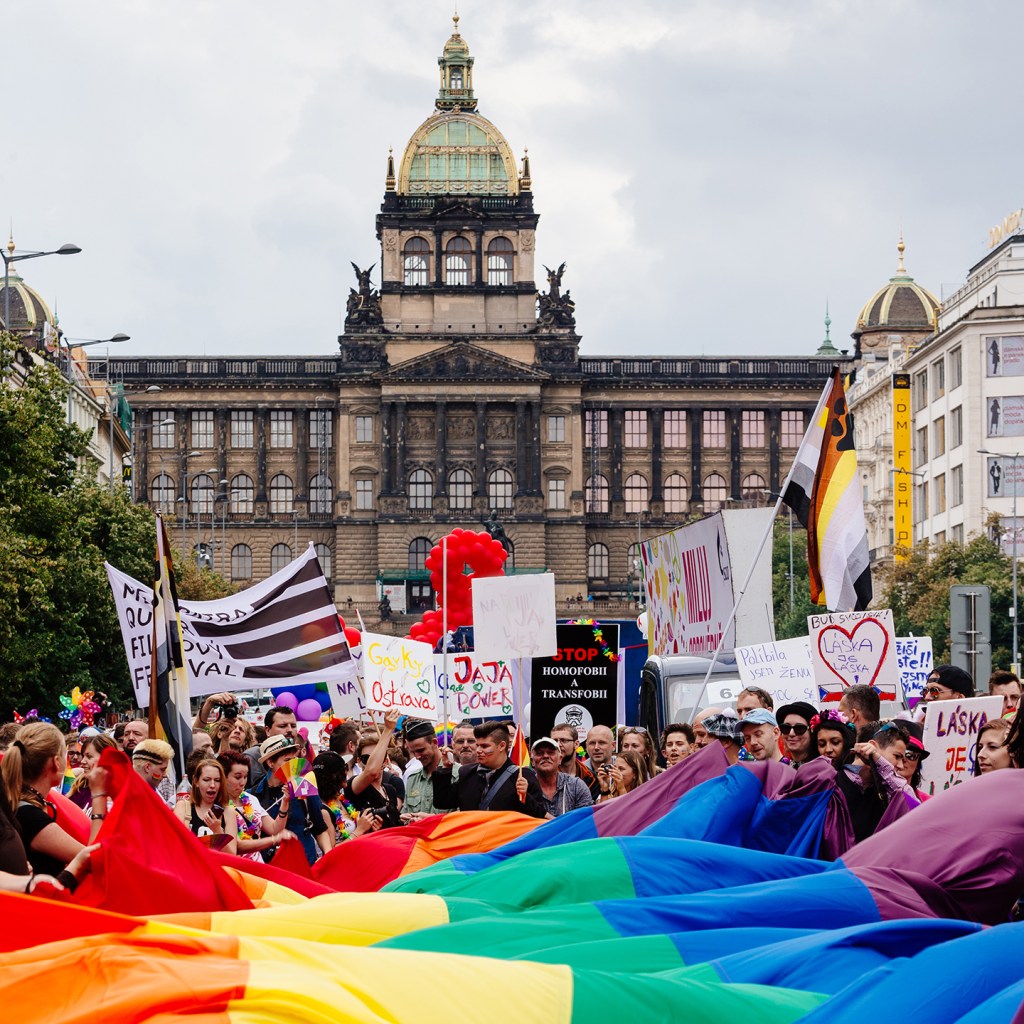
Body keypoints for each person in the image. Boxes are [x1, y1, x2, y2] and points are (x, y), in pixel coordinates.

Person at [1, 723, 107, 881]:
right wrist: (99, 795)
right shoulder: (30, 815)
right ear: (56, 762)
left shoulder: (19, 802)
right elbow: (95, 860)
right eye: (65, 754)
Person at [434, 721, 546, 817]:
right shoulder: (466, 773)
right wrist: (446, 769)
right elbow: (442, 802)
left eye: (484, 746)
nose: (478, 750)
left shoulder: (523, 776)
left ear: (502, 746)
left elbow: (539, 817)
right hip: (474, 835)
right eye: (477, 745)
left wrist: (525, 797)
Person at [251, 734, 331, 865]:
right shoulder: (254, 795)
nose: (293, 765)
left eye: (294, 759)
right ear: (270, 763)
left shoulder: (304, 786)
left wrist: (327, 857)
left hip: (304, 863)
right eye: (287, 760)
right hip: (271, 867)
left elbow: (319, 828)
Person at [218, 750, 295, 859]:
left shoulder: (251, 799)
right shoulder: (217, 806)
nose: (242, 782)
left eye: (245, 777)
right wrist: (273, 840)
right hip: (235, 866)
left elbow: (274, 829)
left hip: (257, 864)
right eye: (237, 777)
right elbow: (236, 846)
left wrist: (285, 802)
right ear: (223, 777)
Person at [344, 711, 403, 829]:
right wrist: (388, 729)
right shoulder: (354, 785)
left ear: (386, 761)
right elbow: (371, 772)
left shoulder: (390, 789)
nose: (373, 763)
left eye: (377, 758)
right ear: (359, 761)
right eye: (367, 759)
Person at [174, 758, 238, 854]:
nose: (212, 785)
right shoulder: (183, 807)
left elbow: (232, 856)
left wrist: (218, 831)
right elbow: (174, 846)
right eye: (206, 780)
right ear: (196, 781)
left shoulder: (228, 812)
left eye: (217, 780)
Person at [402, 719, 457, 819]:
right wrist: (405, 818)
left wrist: (432, 820)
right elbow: (405, 812)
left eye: (421, 750)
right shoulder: (413, 779)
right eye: (413, 752)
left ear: (434, 743)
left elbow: (464, 816)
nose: (417, 756)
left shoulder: (458, 774)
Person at [530, 736, 592, 817]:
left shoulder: (576, 786)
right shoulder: (526, 788)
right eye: (539, 753)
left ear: (560, 759)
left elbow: (585, 819)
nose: (545, 756)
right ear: (532, 761)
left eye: (550, 753)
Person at [245, 706, 298, 788]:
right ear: (267, 730)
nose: (290, 730)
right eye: (283, 726)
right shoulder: (252, 757)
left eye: (293, 726)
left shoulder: (299, 753)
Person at [69, 732, 117, 811]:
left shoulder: (122, 793)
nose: (82, 761)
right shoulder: (80, 789)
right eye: (83, 756)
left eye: (89, 756)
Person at [132, 739, 176, 808]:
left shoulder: (151, 789)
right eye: (162, 770)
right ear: (147, 767)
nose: (165, 775)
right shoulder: (134, 797)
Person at [776, 701, 816, 767]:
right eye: (786, 728)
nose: (791, 733)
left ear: (812, 731)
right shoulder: (779, 769)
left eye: (799, 728)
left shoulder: (824, 768)